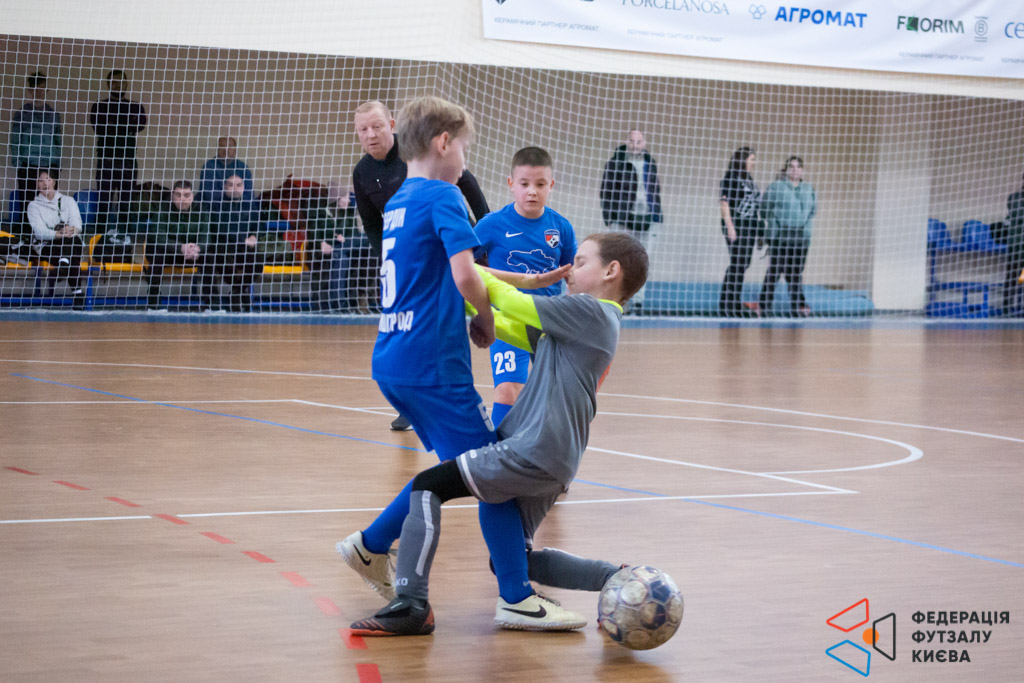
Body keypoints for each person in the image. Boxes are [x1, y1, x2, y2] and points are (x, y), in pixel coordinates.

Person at [337, 97, 567, 631]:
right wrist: (484, 320)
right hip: (434, 365)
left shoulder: (400, 200)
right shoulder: (445, 195)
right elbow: (466, 276)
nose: (465, 158)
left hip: (393, 359)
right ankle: (516, 596)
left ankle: (371, 545)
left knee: (455, 471)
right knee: (494, 476)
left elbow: (450, 270)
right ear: (444, 143)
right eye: (464, 147)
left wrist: (527, 281)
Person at [347, 232, 650, 636]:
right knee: (511, 558)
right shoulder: (584, 323)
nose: (569, 271)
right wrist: (469, 305)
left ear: (611, 271)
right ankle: (615, 578)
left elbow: (512, 302)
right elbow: (510, 325)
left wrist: (460, 267)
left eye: (579, 262)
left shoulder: (592, 311)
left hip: (535, 449)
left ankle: (412, 603)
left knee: (427, 485)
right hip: (554, 458)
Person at [351, 99, 491, 431]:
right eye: (363, 130)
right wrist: (389, 253)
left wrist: (487, 228)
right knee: (425, 322)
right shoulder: (362, 173)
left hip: (456, 241)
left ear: (392, 125)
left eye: (377, 126)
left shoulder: (418, 156)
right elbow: (371, 223)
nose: (371, 135)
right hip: (416, 256)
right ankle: (417, 402)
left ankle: (510, 376)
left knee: (487, 303)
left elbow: (466, 181)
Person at [474, 146, 577, 427]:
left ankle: (545, 447)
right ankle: (499, 448)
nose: (532, 191)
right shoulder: (492, 225)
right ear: (511, 184)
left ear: (551, 185)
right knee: (508, 390)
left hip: (549, 320)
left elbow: (572, 275)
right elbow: (461, 264)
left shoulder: (561, 228)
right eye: (524, 184)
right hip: (507, 320)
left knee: (555, 396)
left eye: (540, 184)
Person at [600, 129, 662, 312]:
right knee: (619, 260)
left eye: (639, 141)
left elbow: (655, 189)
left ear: (644, 143)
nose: (635, 144)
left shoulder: (650, 163)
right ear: (627, 142)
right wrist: (609, 217)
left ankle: (639, 302)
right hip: (623, 217)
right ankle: (618, 300)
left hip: (647, 218)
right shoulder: (616, 163)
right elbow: (606, 190)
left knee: (643, 260)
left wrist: (657, 213)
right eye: (632, 141)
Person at [89, 69, 148, 231]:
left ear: (126, 84)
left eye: (121, 81)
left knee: (126, 202)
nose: (118, 85)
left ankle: (124, 236)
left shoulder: (136, 106)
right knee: (104, 201)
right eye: (114, 82)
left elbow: (140, 125)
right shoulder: (99, 106)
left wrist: (113, 124)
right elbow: (99, 128)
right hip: (106, 161)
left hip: (128, 161)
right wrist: (126, 125)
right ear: (108, 85)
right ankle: (100, 236)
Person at [757, 156, 816, 317]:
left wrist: (805, 232)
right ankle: (764, 306)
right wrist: (771, 228)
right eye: (792, 167)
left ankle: (796, 307)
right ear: (787, 169)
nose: (795, 170)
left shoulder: (808, 189)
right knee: (775, 271)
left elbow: (812, 212)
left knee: (795, 273)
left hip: (800, 237)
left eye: (798, 167)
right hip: (779, 236)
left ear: (802, 170)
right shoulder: (776, 187)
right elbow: (764, 209)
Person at [203, 173, 267, 312]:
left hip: (244, 248)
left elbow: (259, 225)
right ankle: (239, 293)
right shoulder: (216, 206)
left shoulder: (250, 205)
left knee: (258, 260)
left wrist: (254, 236)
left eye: (238, 185)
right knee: (228, 264)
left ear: (243, 187)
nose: (235, 189)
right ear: (224, 187)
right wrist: (243, 239)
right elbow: (220, 229)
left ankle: (237, 291)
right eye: (231, 185)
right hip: (223, 247)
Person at [145, 181, 210, 310]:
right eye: (178, 195)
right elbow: (159, 236)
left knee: (210, 256)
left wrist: (197, 248)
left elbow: (206, 235)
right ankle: (153, 302)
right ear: (172, 195)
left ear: (192, 197)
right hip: (169, 253)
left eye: (186, 195)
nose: (182, 199)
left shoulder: (201, 210)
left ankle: (212, 302)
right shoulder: (162, 208)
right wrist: (180, 247)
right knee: (156, 253)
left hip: (192, 254)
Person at [25, 169, 85, 308]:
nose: (45, 183)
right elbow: (39, 232)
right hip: (48, 245)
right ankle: (77, 293)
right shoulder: (33, 206)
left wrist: (71, 230)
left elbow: (77, 223)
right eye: (40, 180)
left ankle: (63, 265)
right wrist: (58, 234)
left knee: (72, 241)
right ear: (36, 184)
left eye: (48, 179)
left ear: (54, 182)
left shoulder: (68, 201)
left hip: (71, 240)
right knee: (71, 251)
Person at [718, 146, 762, 317]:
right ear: (742, 160)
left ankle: (733, 302)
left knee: (743, 264)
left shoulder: (749, 179)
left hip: (750, 226)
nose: (753, 163)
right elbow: (724, 203)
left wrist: (759, 233)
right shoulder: (731, 178)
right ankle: (727, 304)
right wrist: (730, 226)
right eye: (751, 159)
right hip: (737, 225)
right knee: (738, 263)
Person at [9, 71, 62, 196]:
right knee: (27, 202)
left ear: (46, 90)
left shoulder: (54, 115)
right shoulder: (21, 114)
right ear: (30, 90)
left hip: (50, 164)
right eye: (36, 89)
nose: (39, 92)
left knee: (49, 202)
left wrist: (57, 164)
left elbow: (58, 140)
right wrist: (19, 165)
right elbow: (15, 140)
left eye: (42, 88)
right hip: (28, 165)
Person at [196, 136, 254, 204]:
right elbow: (210, 194)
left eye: (230, 147)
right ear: (217, 149)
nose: (226, 150)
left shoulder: (242, 167)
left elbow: (249, 193)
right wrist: (234, 195)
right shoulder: (209, 166)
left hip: (238, 204)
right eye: (222, 146)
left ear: (235, 150)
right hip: (213, 205)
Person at [1003, 171, 1024, 316]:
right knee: (1012, 278)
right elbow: (1015, 217)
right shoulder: (1014, 198)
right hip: (1016, 245)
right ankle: (1006, 310)